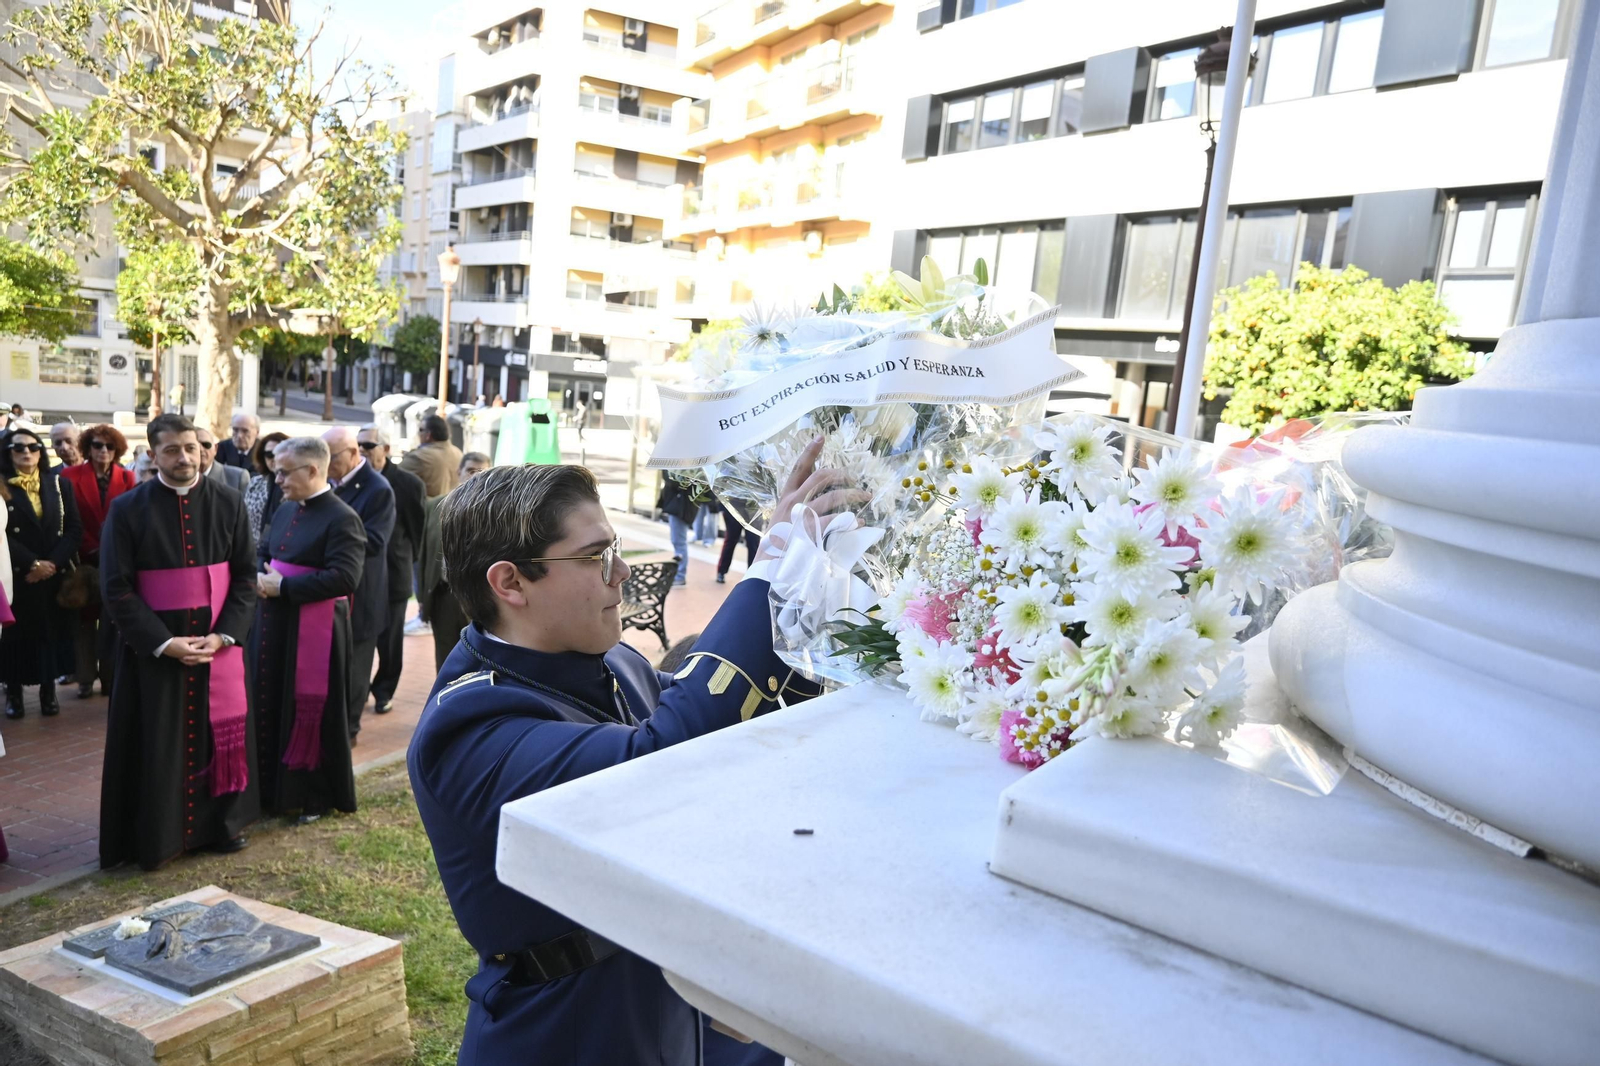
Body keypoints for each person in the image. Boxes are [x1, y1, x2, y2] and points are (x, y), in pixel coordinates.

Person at [408, 444, 852, 1066]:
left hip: (663, 1000)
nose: (620, 574)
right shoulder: (469, 728)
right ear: (510, 582)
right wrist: (767, 574)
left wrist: (813, 602)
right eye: (594, 557)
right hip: (568, 1030)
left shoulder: (609, 658)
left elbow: (729, 734)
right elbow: (667, 758)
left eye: (613, 549)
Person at [97, 413, 259, 868]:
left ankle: (220, 828)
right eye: (171, 450)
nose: (184, 457)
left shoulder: (230, 501)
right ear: (153, 454)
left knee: (217, 736)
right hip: (154, 653)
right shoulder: (127, 509)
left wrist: (224, 635)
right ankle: (157, 837)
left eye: (191, 447)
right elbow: (116, 587)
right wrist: (164, 643)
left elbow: (245, 576)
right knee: (157, 744)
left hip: (216, 648)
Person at [252, 436, 364, 823]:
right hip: (277, 622)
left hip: (315, 631)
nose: (277, 479)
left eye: (284, 472)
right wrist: (263, 572)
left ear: (313, 470)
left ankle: (313, 795)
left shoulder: (342, 517)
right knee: (273, 701)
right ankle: (273, 789)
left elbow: (345, 578)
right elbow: (266, 550)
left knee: (309, 710)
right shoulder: (286, 508)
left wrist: (283, 586)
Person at [1, 427, 82, 718]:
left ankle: (48, 692)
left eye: (33, 447)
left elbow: (74, 528)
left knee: (51, 635)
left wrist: (51, 564)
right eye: (18, 448)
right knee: (15, 638)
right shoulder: (1, 484)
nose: (26, 453)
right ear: (8, 453)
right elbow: (1, 534)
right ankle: (14, 694)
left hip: (52, 575)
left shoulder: (58, 484)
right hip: (17, 574)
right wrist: (32, 563)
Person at [322, 426, 395, 744]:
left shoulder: (378, 489)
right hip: (328, 592)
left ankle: (348, 731)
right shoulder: (328, 482)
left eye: (331, 457)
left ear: (353, 454)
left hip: (361, 595)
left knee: (354, 669)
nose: (325, 463)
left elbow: (377, 541)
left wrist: (329, 536)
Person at [61, 424, 136, 698]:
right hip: (82, 560)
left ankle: (109, 678)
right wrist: (91, 547)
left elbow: (132, 521)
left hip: (116, 560)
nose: (103, 451)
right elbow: (67, 519)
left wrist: (110, 550)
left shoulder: (128, 478)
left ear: (117, 450)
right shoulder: (69, 476)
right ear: (87, 448)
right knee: (82, 621)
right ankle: (84, 678)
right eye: (96, 445)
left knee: (113, 621)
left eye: (109, 446)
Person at [359, 424, 424, 716]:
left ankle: (384, 691)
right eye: (358, 445)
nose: (361, 450)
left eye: (368, 445)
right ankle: (358, 691)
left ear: (385, 449)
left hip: (393, 575)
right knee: (360, 638)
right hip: (360, 576)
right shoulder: (353, 481)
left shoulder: (408, 484)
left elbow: (417, 530)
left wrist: (408, 565)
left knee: (390, 641)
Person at [418, 451, 489, 670]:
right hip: (443, 595)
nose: (474, 477)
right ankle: (446, 701)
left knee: (478, 657)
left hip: (479, 596)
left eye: (481, 472)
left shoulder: (494, 511)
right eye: (470, 471)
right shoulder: (435, 506)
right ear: (458, 472)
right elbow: (424, 554)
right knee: (446, 658)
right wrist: (422, 595)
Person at [400, 414, 464, 499]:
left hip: (429, 510)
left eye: (421, 430)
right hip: (453, 508)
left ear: (428, 435)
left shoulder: (419, 457)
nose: (418, 433)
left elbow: (392, 477)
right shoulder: (458, 453)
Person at [243, 431, 290, 545]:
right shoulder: (255, 483)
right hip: (255, 548)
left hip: (285, 547)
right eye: (269, 455)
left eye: (280, 453)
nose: (274, 458)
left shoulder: (298, 483)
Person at [656, 474, 697, 587]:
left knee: (679, 542)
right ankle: (679, 574)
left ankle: (680, 575)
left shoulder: (686, 470)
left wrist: (667, 470)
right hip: (680, 506)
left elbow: (674, 481)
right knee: (678, 541)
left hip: (681, 507)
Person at [715, 502, 760, 585]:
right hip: (734, 506)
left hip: (755, 509)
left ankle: (752, 576)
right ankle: (721, 571)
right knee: (731, 540)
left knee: (753, 543)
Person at [198, 426, 250, 495]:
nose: (201, 449)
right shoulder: (179, 477)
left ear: (215, 449)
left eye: (206, 445)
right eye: (193, 447)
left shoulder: (238, 477)